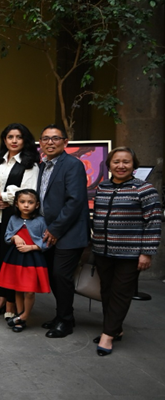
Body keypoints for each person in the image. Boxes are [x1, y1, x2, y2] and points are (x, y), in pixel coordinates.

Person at [91, 147, 162, 355]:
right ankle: (115, 329)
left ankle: (108, 335)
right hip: (103, 250)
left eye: (126, 162)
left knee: (121, 293)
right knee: (106, 291)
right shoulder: (102, 187)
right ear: (109, 165)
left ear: (134, 165)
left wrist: (147, 252)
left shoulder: (145, 189)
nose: (121, 166)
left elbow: (153, 222)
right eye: (116, 162)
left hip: (130, 253)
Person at [0, 123, 39, 321]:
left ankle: (11, 302)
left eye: (18, 137)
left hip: (16, 221)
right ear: (4, 139)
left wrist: (0, 196)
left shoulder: (30, 164)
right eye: (10, 137)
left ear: (25, 140)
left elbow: (27, 193)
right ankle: (1, 298)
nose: (14, 141)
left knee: (12, 262)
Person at [37, 124, 90, 339]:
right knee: (53, 275)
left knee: (61, 276)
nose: (50, 142)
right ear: (40, 143)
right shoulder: (42, 166)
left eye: (55, 138)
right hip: (47, 231)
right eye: (46, 138)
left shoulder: (73, 165)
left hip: (67, 233)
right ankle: (62, 315)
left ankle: (65, 321)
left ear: (65, 142)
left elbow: (75, 201)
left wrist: (56, 229)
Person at [0, 189, 50, 332]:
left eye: (30, 202)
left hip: (33, 259)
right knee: (18, 288)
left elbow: (47, 242)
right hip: (16, 259)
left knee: (29, 290)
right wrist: (14, 237)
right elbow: (7, 235)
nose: (26, 205)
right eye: (22, 202)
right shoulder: (13, 219)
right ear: (16, 204)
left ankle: (25, 315)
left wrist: (32, 247)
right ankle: (20, 317)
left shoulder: (40, 221)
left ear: (37, 205)